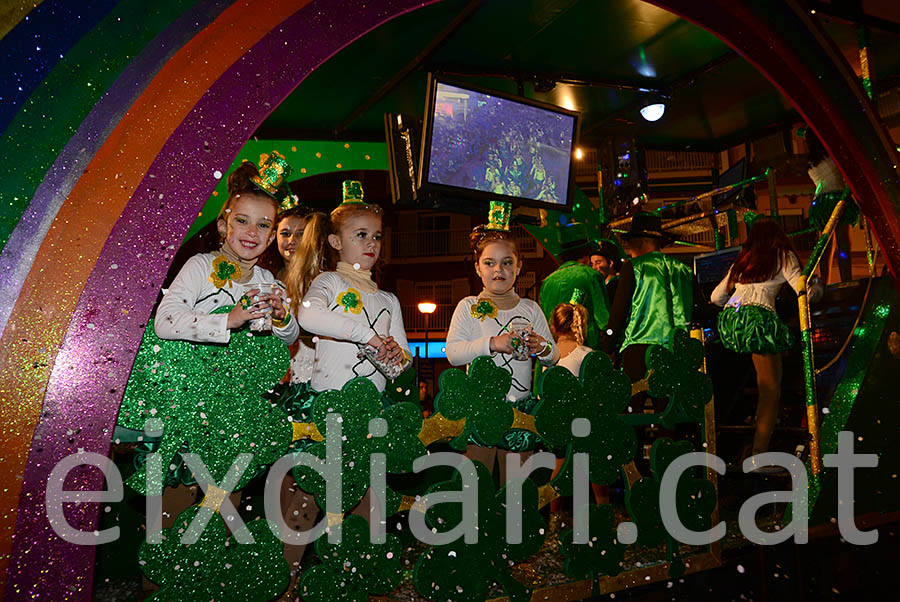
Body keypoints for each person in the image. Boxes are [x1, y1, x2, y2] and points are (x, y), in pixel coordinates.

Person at [446, 224, 559, 481]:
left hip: (519, 413)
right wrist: (493, 343)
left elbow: (554, 356)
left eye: (507, 262)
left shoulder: (531, 309)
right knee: (475, 491)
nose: (499, 269)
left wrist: (542, 347)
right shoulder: (468, 306)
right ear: (478, 269)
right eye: (489, 263)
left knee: (517, 497)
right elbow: (453, 353)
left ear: (518, 267)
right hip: (481, 412)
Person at [710, 218, 819, 468]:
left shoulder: (743, 260)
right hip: (758, 320)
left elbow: (717, 297)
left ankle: (750, 448)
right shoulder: (783, 256)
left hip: (731, 319)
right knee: (771, 390)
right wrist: (820, 288)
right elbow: (804, 291)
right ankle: (759, 454)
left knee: (762, 382)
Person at [602, 212, 700, 385]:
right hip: (675, 351)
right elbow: (699, 310)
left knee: (633, 408)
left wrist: (608, 346)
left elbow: (618, 312)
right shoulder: (684, 270)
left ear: (640, 242)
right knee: (668, 407)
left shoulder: (633, 266)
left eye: (630, 244)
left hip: (639, 350)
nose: (630, 250)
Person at [539, 221, 610, 350]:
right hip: (584, 354)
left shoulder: (547, 282)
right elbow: (603, 320)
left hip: (552, 355)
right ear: (586, 253)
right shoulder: (591, 276)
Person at [804, 127, 859, 283]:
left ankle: (824, 281)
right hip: (836, 198)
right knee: (843, 244)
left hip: (820, 202)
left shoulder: (811, 162)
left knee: (826, 245)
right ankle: (846, 280)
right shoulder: (832, 155)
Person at [590, 238, 624, 304]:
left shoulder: (616, 286)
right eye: (592, 264)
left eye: (598, 262)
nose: (594, 268)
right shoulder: (602, 284)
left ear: (610, 263)